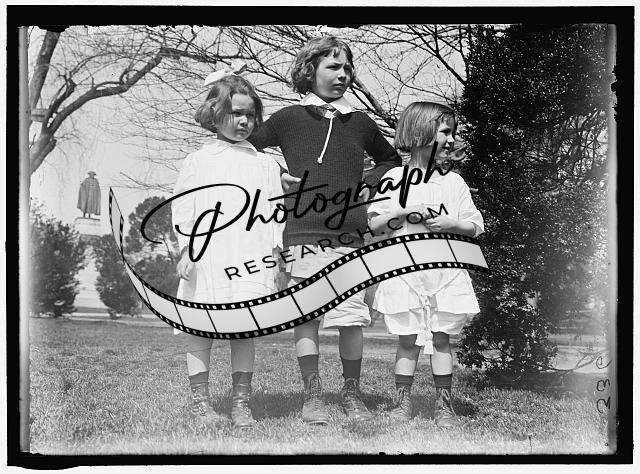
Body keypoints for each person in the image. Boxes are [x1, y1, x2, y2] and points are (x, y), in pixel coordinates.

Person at [248, 36, 402, 424]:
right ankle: (312, 395)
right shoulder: (289, 118)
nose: (342, 74)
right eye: (333, 66)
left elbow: (390, 158)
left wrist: (368, 182)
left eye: (347, 68)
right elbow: (246, 148)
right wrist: (275, 175)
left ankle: (351, 393)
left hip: (349, 236)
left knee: (350, 318)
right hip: (302, 234)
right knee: (307, 318)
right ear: (309, 70)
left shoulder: (359, 121)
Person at [172, 71, 283, 429]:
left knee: (244, 328)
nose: (244, 121)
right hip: (208, 256)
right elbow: (184, 209)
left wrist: (275, 252)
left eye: (250, 114)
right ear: (215, 113)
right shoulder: (198, 161)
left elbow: (276, 211)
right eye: (236, 113)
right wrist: (187, 250)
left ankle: (241, 403)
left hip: (249, 255)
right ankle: (200, 403)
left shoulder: (265, 164)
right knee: (199, 327)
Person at [367, 102, 484, 428]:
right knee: (408, 341)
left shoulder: (453, 183)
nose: (451, 139)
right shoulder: (394, 178)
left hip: (444, 274)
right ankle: (401, 403)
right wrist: (404, 212)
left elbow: (475, 225)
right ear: (421, 133)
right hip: (407, 276)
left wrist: (450, 223)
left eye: (453, 132)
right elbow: (375, 224)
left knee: (441, 339)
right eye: (445, 132)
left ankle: (444, 406)